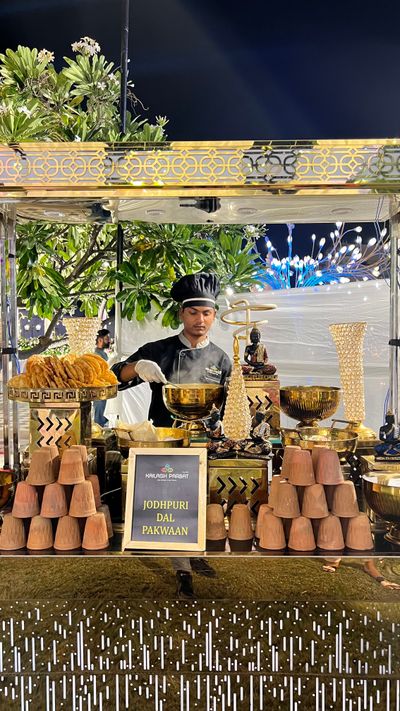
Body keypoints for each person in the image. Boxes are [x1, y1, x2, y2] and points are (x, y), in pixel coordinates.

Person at [112, 272, 232, 598]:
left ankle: (194, 553)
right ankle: (183, 572)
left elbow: (227, 403)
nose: (200, 320)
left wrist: (221, 425)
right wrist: (136, 368)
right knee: (173, 504)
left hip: (204, 441)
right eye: (193, 312)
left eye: (206, 313)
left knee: (201, 500)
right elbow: (115, 377)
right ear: (181, 313)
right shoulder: (161, 349)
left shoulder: (222, 358)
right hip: (165, 440)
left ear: (214, 315)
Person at [93, 328, 111, 427]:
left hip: (104, 384)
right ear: (100, 340)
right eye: (106, 338)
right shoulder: (96, 355)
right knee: (99, 408)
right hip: (99, 385)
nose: (109, 340)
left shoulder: (103, 353)